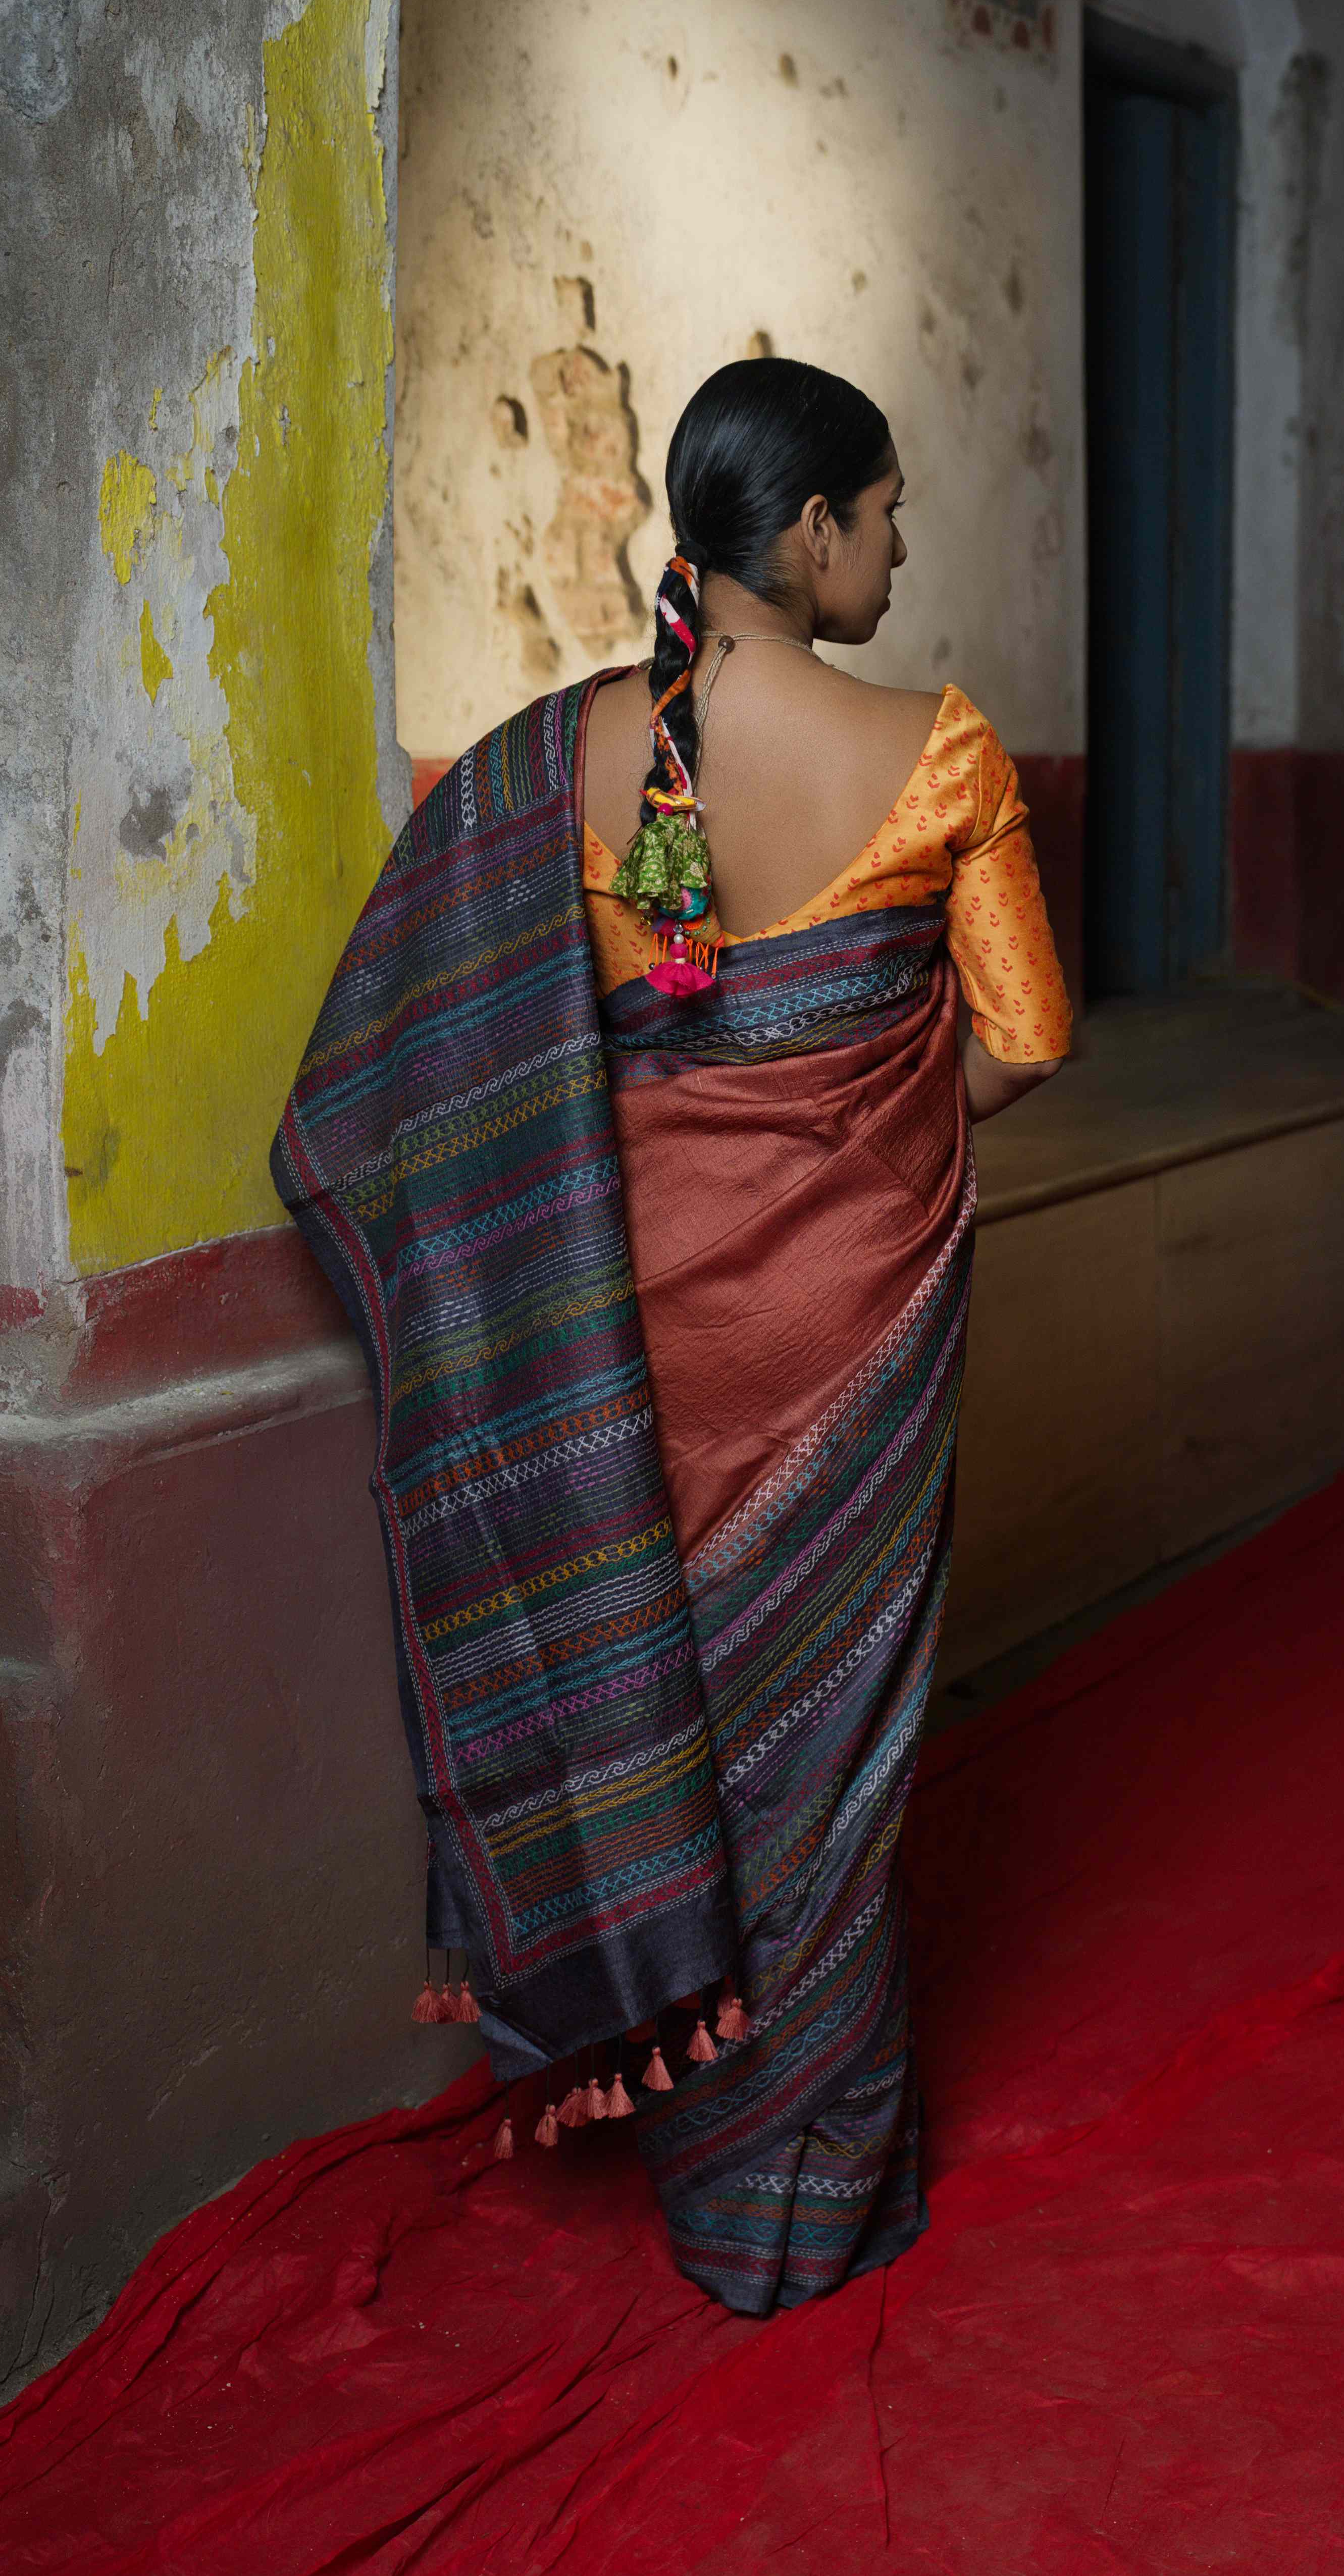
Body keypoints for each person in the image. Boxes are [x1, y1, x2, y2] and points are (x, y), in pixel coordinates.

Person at [275, 356, 1071, 2316]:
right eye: (886, 514)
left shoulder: (564, 762)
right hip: (850, 1326)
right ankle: (796, 2197)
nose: (899, 550)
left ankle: (690, 2127)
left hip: (627, 1334)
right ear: (808, 531)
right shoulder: (939, 752)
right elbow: (1027, 1041)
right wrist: (863, 1118)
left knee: (671, 1713)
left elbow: (417, 1050)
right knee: (832, 1745)